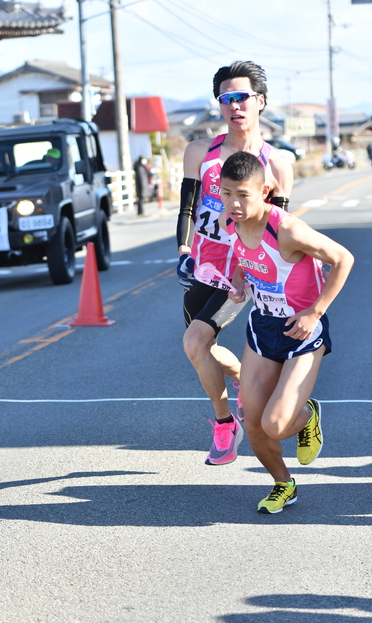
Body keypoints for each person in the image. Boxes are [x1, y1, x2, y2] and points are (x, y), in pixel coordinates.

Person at [217, 151, 354, 513]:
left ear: (264, 191)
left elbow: (343, 258)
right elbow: (242, 260)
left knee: (276, 424)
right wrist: (237, 283)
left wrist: (315, 311)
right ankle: (283, 484)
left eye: (243, 194)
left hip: (301, 331)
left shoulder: (288, 229)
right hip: (262, 328)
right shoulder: (229, 220)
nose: (233, 202)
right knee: (254, 424)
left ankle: (306, 414)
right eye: (226, 192)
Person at [176, 61, 293, 466]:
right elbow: (187, 209)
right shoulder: (199, 151)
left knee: (194, 341)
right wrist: (183, 252)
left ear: (260, 101)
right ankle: (245, 382)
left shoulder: (276, 163)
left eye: (242, 97)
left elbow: (277, 227)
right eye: (226, 98)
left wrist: (254, 270)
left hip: (241, 272)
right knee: (200, 348)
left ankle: (226, 425)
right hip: (203, 266)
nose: (235, 105)